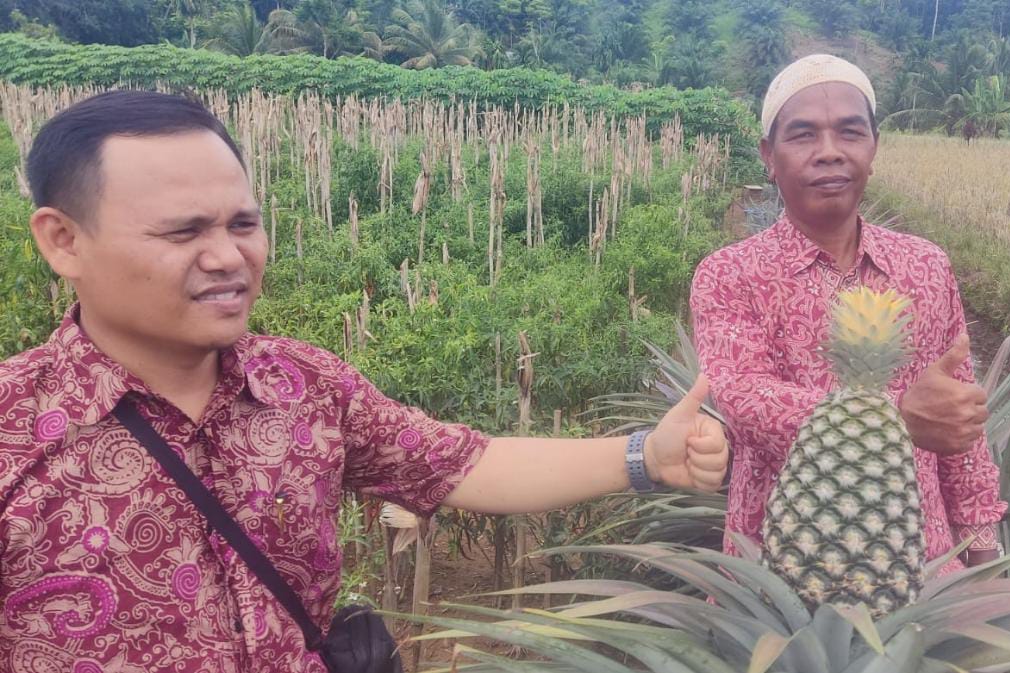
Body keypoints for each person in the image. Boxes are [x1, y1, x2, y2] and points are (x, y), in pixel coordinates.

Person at [0, 90, 728, 672]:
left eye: (244, 223)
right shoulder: (13, 428)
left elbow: (462, 462)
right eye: (183, 232)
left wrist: (644, 458)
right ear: (62, 239)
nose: (227, 256)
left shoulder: (304, 385)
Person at [690, 54, 1006, 573]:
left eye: (850, 132)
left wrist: (983, 550)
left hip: (921, 562)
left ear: (874, 147)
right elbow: (745, 403)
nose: (829, 153)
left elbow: (959, 421)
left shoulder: (925, 265)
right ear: (769, 155)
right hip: (781, 567)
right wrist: (895, 417)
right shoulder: (730, 274)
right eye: (803, 135)